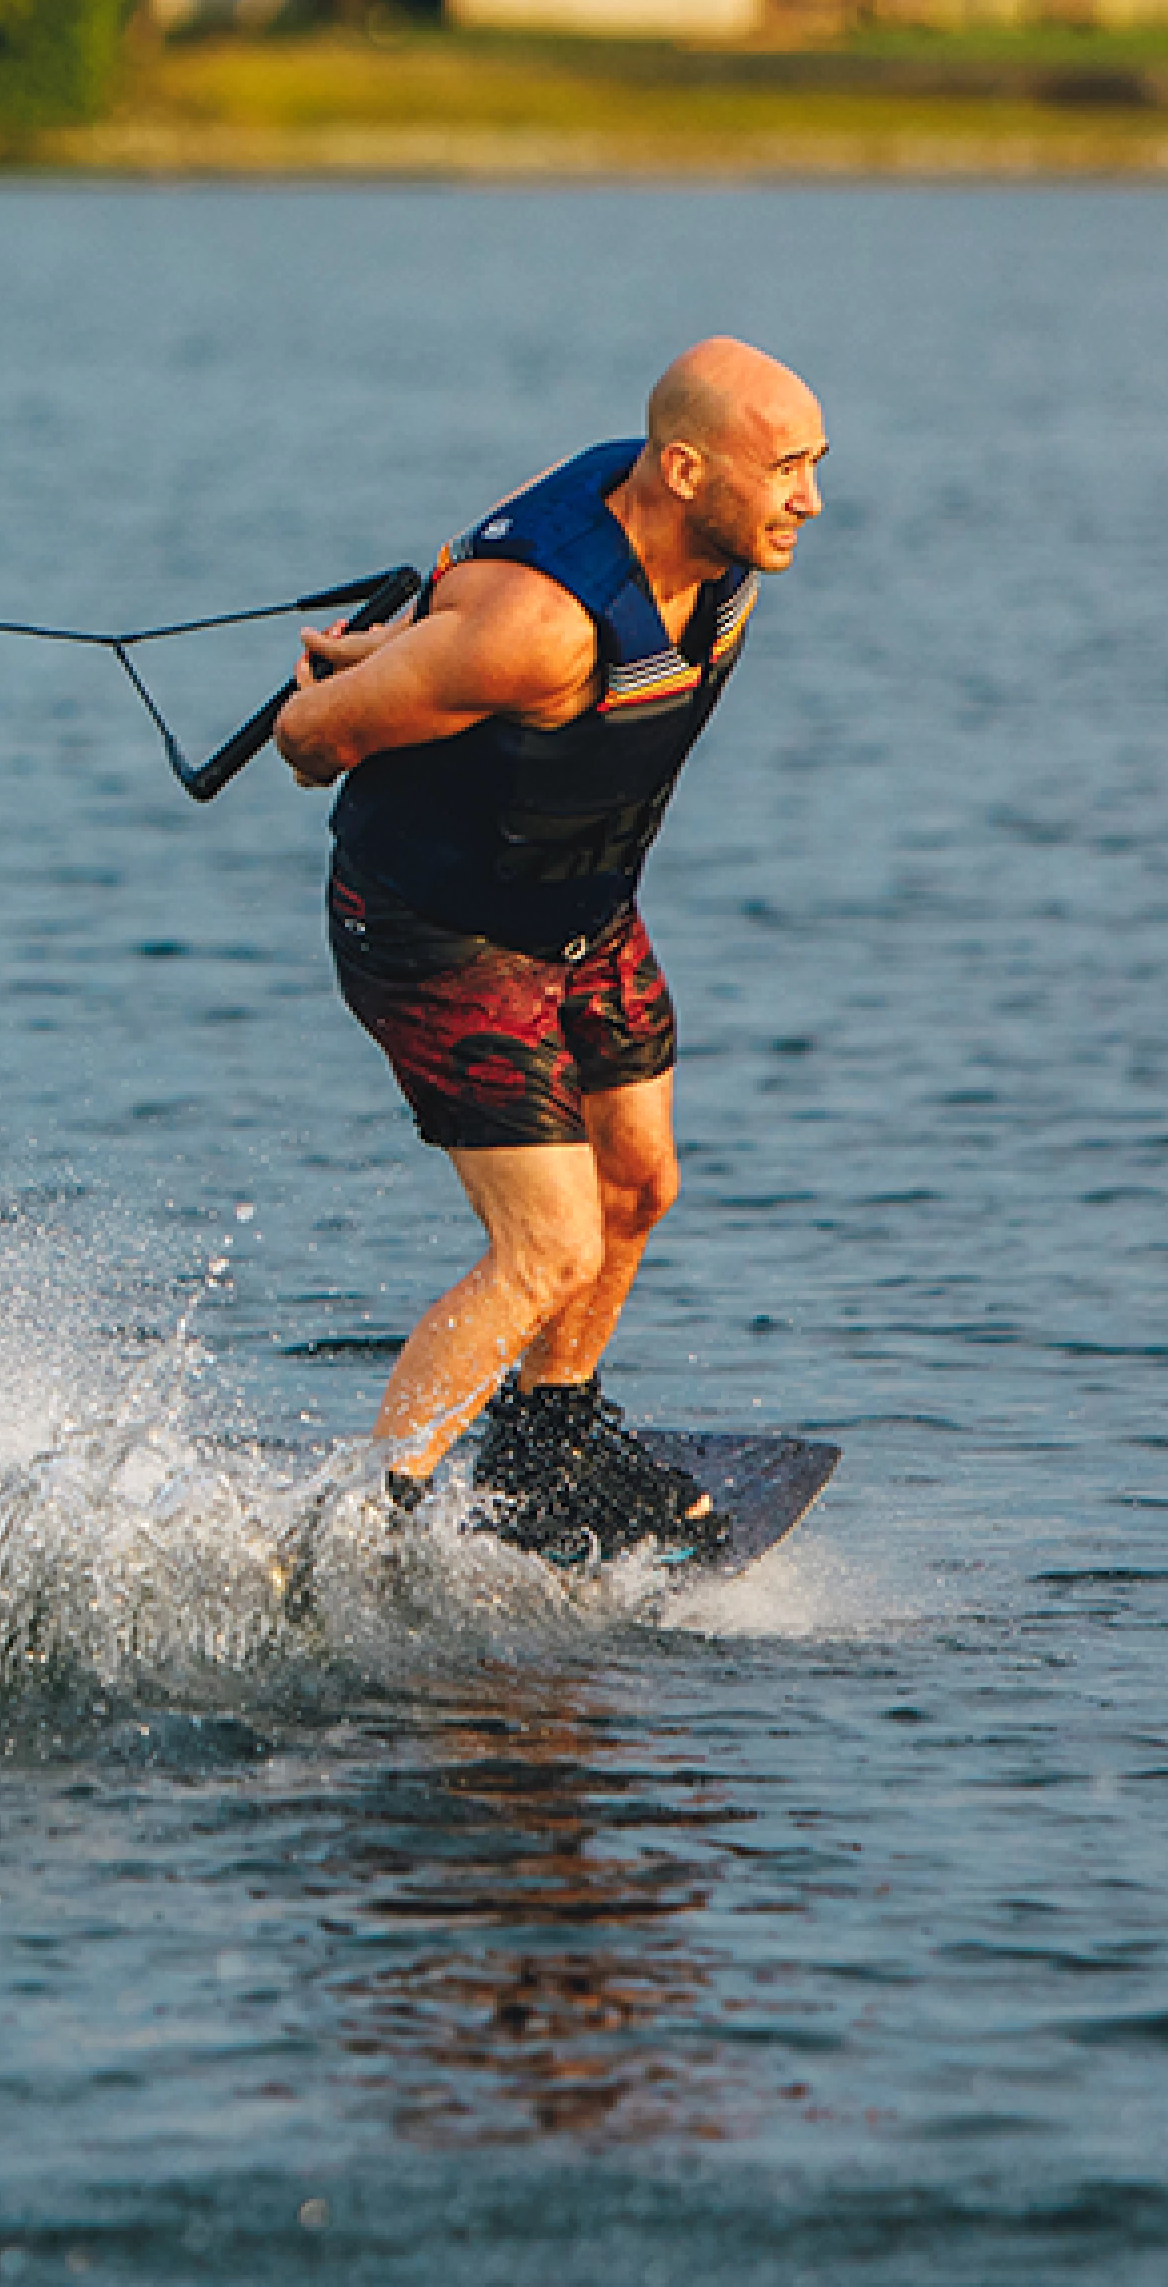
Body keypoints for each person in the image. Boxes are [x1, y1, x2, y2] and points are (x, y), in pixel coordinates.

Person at [271, 338, 828, 1559]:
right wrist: (369, 682)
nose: (809, 500)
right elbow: (309, 738)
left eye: (814, 466)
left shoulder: (701, 538)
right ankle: (377, 1520)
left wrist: (401, 649)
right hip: (441, 937)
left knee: (636, 1184)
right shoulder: (542, 633)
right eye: (786, 469)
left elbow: (448, 605)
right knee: (547, 1246)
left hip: (581, 917)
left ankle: (543, 1450)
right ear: (681, 469)